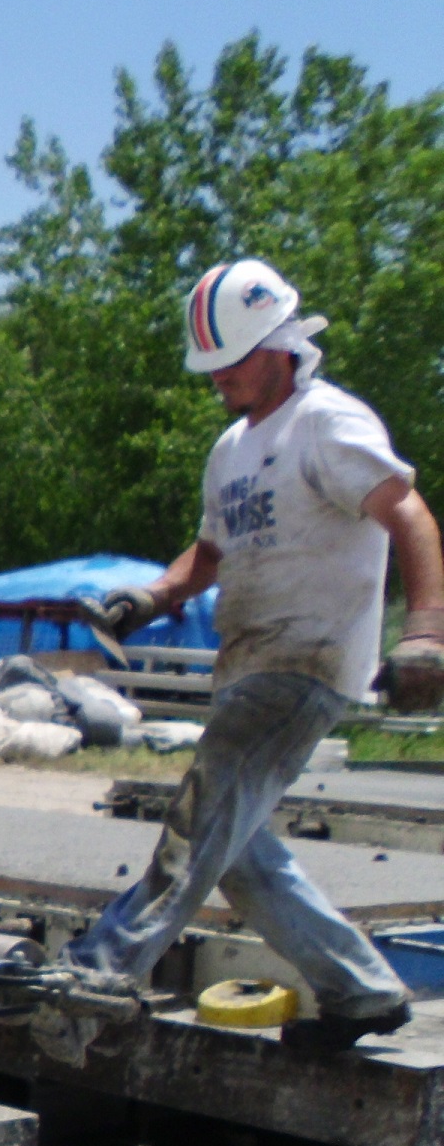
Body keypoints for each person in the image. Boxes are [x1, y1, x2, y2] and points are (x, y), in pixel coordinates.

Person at [74, 259, 444, 1052]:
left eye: (233, 362)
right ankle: (362, 990)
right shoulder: (232, 448)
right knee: (234, 850)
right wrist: (151, 597)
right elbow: (211, 552)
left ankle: (98, 970)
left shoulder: (327, 422)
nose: (219, 378)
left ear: (280, 344)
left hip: (307, 662)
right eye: (210, 366)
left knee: (203, 812)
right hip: (248, 666)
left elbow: (410, 515)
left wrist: (425, 635)